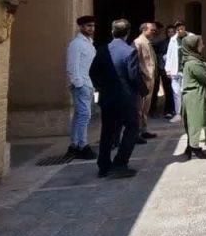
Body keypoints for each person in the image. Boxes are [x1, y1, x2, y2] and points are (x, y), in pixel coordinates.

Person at [90, 18, 145, 178]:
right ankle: (120, 163)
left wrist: (102, 87)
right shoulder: (129, 51)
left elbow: (93, 72)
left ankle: (103, 165)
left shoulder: (102, 50)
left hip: (107, 98)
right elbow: (134, 76)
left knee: (107, 131)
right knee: (132, 128)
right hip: (125, 99)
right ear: (128, 33)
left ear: (112, 31)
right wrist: (143, 90)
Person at [180, 33, 206, 159]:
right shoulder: (193, 63)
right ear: (193, 46)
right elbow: (205, 78)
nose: (203, 45)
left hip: (194, 95)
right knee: (195, 123)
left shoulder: (192, 59)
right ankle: (194, 149)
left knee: (193, 123)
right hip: (195, 96)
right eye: (200, 43)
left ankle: (190, 147)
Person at [65, 15, 97, 159]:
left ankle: (74, 145)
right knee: (84, 115)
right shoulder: (76, 44)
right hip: (81, 84)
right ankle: (82, 145)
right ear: (81, 27)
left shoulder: (89, 43)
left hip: (87, 83)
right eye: (88, 25)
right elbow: (72, 66)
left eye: (93, 26)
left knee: (80, 115)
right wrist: (79, 83)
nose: (91, 28)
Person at [134, 22, 159, 142]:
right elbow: (135, 62)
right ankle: (136, 133)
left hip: (150, 79)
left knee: (145, 108)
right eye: (151, 30)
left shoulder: (148, 42)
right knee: (139, 108)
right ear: (144, 30)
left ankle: (143, 130)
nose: (154, 32)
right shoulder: (138, 42)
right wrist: (142, 75)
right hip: (143, 80)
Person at [149, 22, 175, 119]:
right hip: (161, 69)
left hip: (171, 70)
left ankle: (170, 110)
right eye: (169, 32)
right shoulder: (163, 43)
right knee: (157, 89)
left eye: (172, 32)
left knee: (170, 90)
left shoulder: (178, 42)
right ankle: (153, 110)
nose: (170, 34)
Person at [165, 22, 186, 123]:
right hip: (175, 70)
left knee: (185, 92)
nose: (180, 31)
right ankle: (178, 114)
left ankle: (186, 113)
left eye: (181, 29)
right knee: (176, 93)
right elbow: (169, 55)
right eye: (178, 29)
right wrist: (168, 70)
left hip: (186, 70)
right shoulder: (173, 40)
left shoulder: (190, 38)